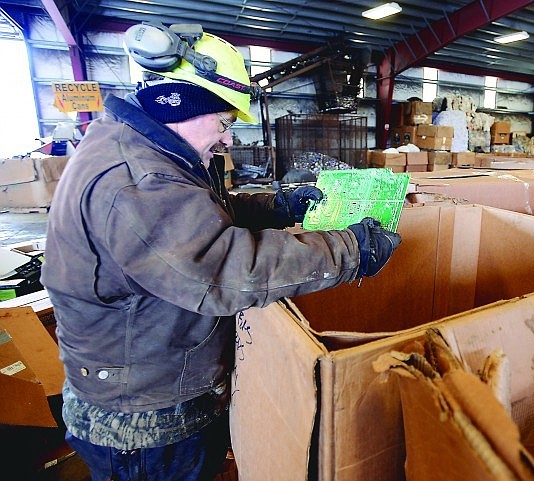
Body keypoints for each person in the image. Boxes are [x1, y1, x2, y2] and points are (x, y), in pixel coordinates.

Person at [40, 22, 401, 481]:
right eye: (225, 122)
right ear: (181, 104)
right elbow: (221, 269)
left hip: (149, 383)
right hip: (146, 418)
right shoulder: (139, 180)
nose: (229, 139)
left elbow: (198, 218)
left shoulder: (146, 149)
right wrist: (351, 250)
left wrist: (277, 206)